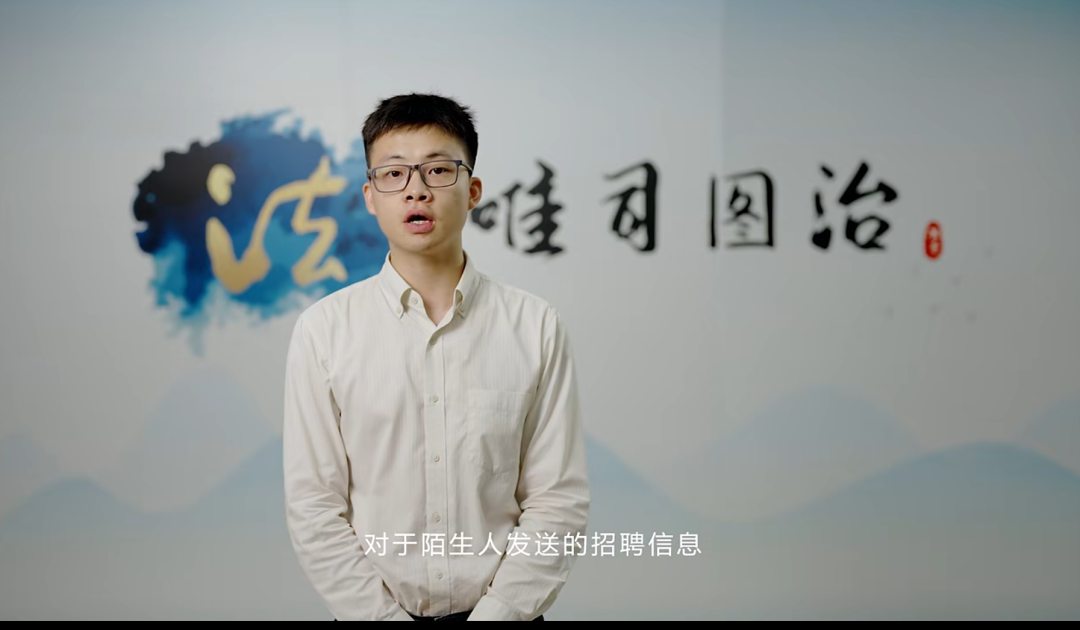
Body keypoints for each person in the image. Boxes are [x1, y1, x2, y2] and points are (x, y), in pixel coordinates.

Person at [282, 93, 590, 621]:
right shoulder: (324, 331)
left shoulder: (535, 325)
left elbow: (557, 499)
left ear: (473, 191)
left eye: (438, 170)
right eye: (394, 173)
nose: (416, 190)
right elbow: (314, 507)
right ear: (370, 196)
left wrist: (498, 614)